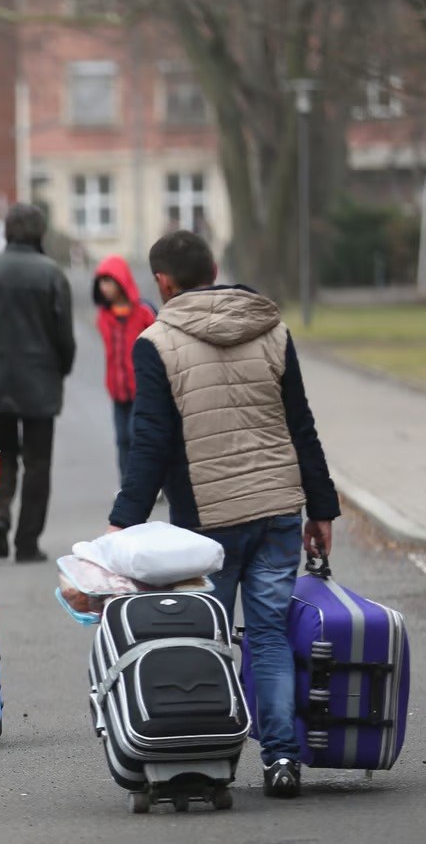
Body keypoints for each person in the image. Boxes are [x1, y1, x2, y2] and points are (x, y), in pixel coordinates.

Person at [107, 230, 339, 799]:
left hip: (207, 522)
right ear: (214, 270)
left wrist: (123, 522)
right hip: (278, 508)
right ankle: (282, 759)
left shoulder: (156, 343)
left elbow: (151, 443)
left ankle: (208, 757)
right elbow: (301, 423)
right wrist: (321, 508)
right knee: (269, 636)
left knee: (203, 640)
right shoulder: (271, 328)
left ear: (162, 282)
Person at [0, 203, 76, 562]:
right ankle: (27, 542)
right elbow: (64, 336)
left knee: (2, 455)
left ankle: (1, 515)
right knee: (38, 463)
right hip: (41, 381)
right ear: (40, 232)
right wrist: (60, 369)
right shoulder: (52, 274)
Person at [92, 256, 157, 482]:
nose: (104, 287)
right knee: (122, 439)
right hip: (117, 390)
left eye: (108, 281)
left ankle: (147, 483)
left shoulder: (144, 312)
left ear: (121, 281)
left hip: (142, 388)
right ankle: (127, 485)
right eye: (101, 282)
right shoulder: (104, 316)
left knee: (137, 436)